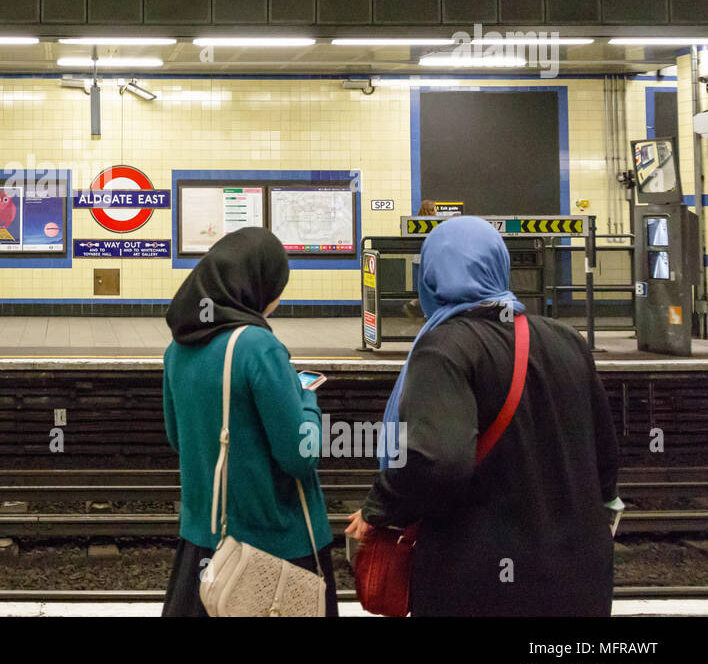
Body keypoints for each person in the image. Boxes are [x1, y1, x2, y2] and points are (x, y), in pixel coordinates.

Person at [345, 217, 619, 616]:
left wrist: (380, 508)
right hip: (579, 579)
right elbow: (605, 461)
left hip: (481, 582)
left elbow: (435, 461)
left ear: (431, 277)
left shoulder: (445, 349)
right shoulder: (566, 340)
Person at [160, 227, 336, 616]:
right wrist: (307, 400)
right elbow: (299, 455)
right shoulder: (258, 346)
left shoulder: (177, 347)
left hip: (203, 546)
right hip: (272, 550)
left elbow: (178, 438)